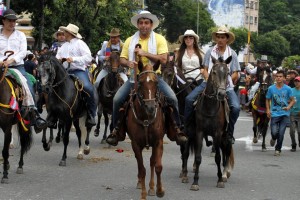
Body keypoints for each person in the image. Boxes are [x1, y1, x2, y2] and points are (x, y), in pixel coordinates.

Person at [106, 10, 187, 146]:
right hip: (135, 78)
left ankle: (177, 129)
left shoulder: (159, 39)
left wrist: (145, 53)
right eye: (141, 23)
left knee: (172, 98)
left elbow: (163, 59)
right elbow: (122, 59)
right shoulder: (130, 40)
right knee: (117, 99)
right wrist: (129, 63)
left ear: (151, 25)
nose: (144, 25)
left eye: (146, 23)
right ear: (138, 25)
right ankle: (116, 130)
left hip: (154, 77)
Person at [184, 25, 241, 144]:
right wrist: (208, 79)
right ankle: (187, 128)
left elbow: (236, 73)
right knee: (189, 100)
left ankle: (229, 134)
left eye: (222, 37)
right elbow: (204, 69)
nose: (220, 39)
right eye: (218, 37)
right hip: (207, 84)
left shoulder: (233, 54)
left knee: (235, 108)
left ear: (227, 39)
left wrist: (225, 82)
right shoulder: (210, 52)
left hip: (227, 87)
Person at [0, 9, 47, 132]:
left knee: (28, 85)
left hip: (16, 67)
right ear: (3, 21)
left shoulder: (20, 35)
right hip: (0, 67)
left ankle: (34, 114)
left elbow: (22, 52)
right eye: (9, 20)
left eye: (14, 21)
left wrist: (10, 61)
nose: (12, 23)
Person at [56, 23, 96, 127]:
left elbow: (88, 58)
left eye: (65, 32)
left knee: (88, 88)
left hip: (78, 71)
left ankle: (91, 114)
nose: (63, 33)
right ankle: (53, 113)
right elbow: (57, 58)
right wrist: (58, 61)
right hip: (64, 72)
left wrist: (74, 59)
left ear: (69, 33)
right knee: (51, 87)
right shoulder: (63, 46)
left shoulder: (80, 43)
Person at [266, 70, 295, 156]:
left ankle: (278, 149)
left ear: (284, 78)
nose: (278, 78)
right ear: (275, 77)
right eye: (277, 76)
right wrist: (268, 110)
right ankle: (273, 138)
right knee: (274, 132)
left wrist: (288, 107)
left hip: (285, 114)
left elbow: (293, 100)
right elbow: (267, 99)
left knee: (281, 133)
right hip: (274, 113)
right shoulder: (271, 88)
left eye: (280, 76)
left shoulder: (288, 89)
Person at [289, 76, 300, 152]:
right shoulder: (291, 90)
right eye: (295, 81)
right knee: (292, 131)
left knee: (299, 131)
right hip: (292, 113)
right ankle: (293, 144)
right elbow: (287, 100)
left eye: (298, 81)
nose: (296, 82)